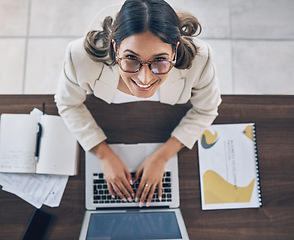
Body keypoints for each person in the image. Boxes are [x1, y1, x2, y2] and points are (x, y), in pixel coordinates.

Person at [55, 0, 221, 207]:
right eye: (131, 59)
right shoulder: (78, 57)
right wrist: (103, 154)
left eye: (160, 60)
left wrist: (162, 157)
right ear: (115, 47)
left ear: (175, 50)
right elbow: (67, 103)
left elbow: (207, 109)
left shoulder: (201, 59)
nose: (144, 79)